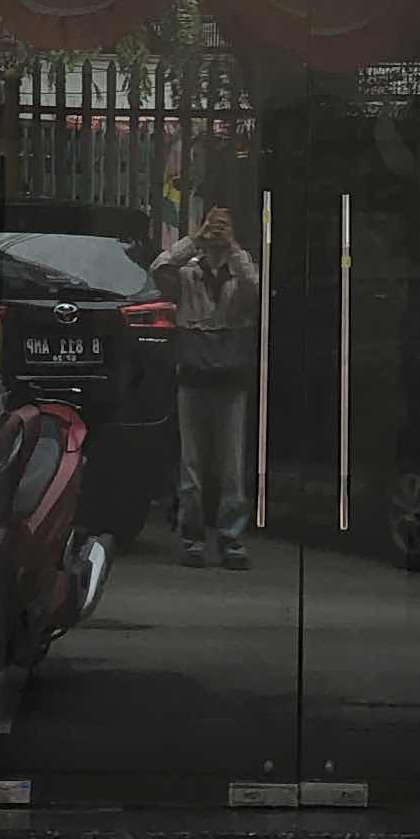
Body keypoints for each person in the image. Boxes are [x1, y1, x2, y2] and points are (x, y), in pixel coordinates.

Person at [153, 203, 261, 568]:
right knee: (192, 464)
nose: (216, 232)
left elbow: (256, 290)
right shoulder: (188, 274)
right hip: (193, 377)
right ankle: (193, 537)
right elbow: (158, 270)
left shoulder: (240, 271)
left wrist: (234, 248)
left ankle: (231, 538)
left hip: (230, 380)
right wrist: (194, 240)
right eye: (213, 225)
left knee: (231, 467)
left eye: (223, 225)